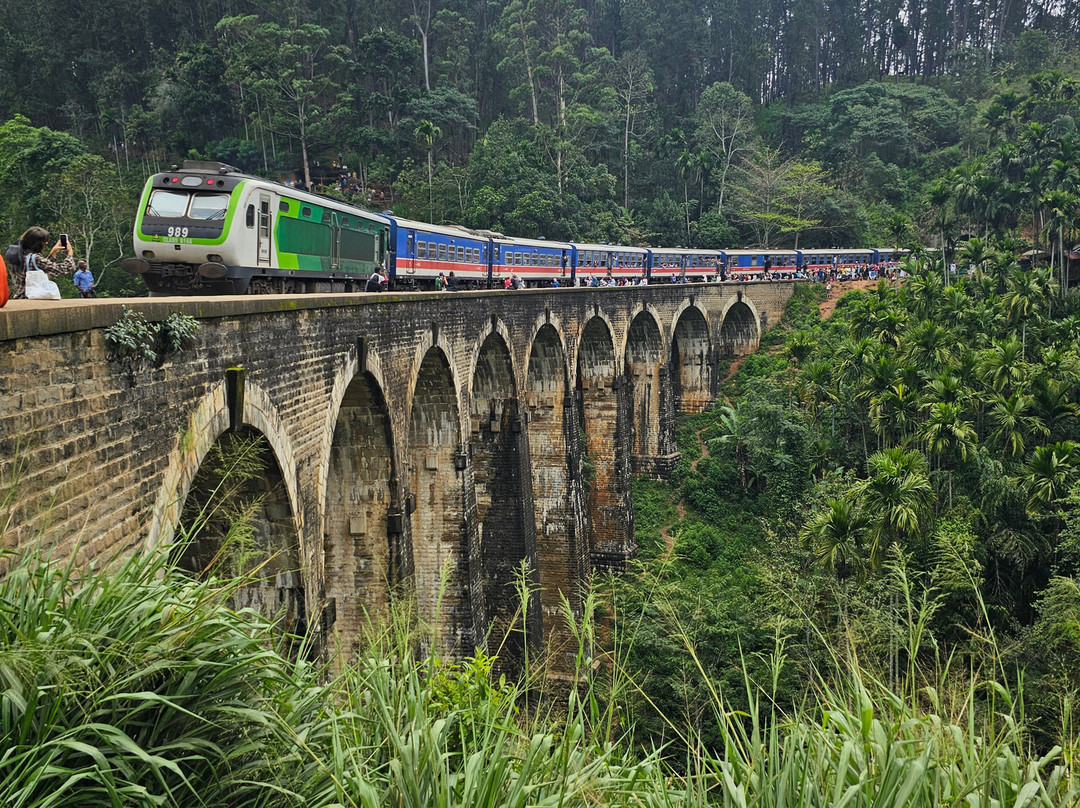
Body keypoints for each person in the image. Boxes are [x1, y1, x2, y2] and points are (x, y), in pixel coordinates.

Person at [10, 226, 74, 299]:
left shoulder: (20, 255)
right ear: (39, 244)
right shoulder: (36, 258)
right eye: (45, 242)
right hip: (31, 299)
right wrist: (70, 254)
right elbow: (60, 269)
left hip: (20, 297)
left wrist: (53, 252)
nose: (45, 244)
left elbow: (41, 267)